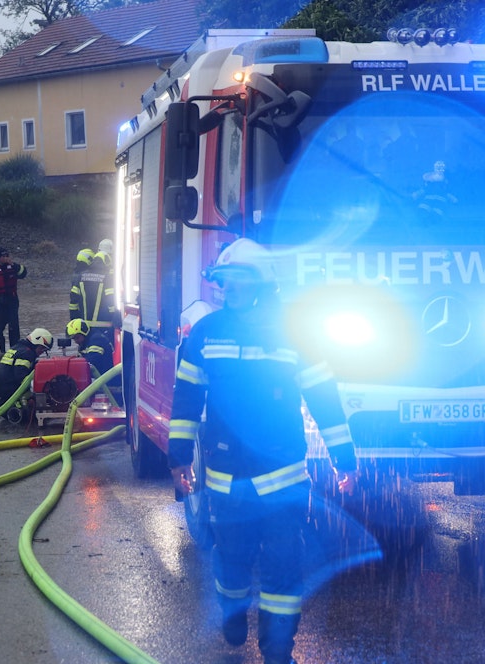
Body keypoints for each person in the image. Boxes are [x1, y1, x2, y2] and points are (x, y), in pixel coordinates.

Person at [167, 238, 359, 664]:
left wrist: (344, 458)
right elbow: (185, 402)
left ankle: (278, 651)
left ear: (262, 284)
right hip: (226, 480)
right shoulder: (206, 333)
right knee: (231, 563)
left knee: (284, 571)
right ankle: (232, 616)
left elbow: (324, 399)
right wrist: (178, 457)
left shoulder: (296, 334)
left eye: (236, 282)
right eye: (223, 282)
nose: (226, 290)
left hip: (284, 480)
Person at [0, 327, 53, 421]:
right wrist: (38, 388)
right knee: (28, 416)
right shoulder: (26, 353)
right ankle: (12, 410)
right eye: (42, 348)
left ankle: (5, 404)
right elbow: (21, 376)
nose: (41, 352)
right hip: (7, 386)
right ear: (37, 342)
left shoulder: (18, 347)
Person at [0, 247, 27, 354]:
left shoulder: (13, 267)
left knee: (14, 328)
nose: (6, 258)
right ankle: (2, 351)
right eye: (3, 256)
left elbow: (23, 273)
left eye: (7, 256)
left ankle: (14, 350)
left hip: (12, 301)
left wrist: (15, 265)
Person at [70, 247, 117, 343]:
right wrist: (116, 317)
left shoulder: (81, 276)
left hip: (84, 327)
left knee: (87, 350)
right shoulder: (107, 278)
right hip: (104, 325)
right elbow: (111, 301)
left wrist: (74, 320)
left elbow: (73, 301)